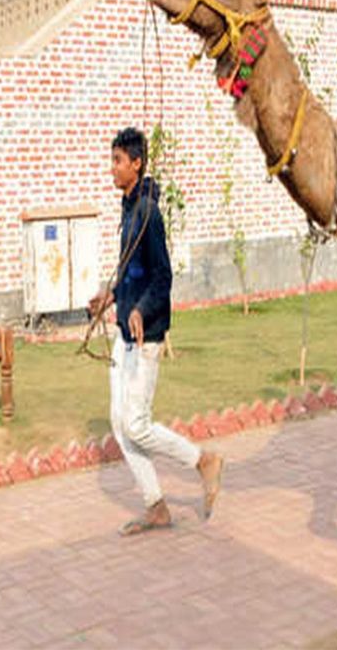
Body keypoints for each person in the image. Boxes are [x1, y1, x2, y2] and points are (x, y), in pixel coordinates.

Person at [89, 127, 224, 536]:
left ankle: (203, 461)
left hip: (146, 335)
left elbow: (162, 277)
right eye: (111, 159)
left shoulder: (149, 213)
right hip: (124, 333)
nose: (111, 168)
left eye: (118, 161)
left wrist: (142, 310)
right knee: (119, 421)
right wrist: (110, 297)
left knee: (137, 424)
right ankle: (157, 506)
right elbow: (134, 271)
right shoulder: (128, 208)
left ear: (136, 164)